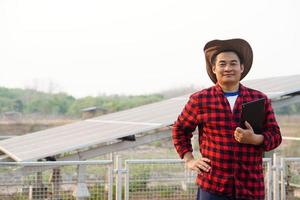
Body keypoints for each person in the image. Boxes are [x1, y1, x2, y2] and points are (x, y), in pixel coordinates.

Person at [172, 38, 282, 200]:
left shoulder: (259, 99)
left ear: (242, 68)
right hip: (213, 185)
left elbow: (275, 135)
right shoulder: (200, 100)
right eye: (222, 64)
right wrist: (189, 159)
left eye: (233, 63)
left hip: (250, 186)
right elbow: (180, 129)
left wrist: (255, 139)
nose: (228, 68)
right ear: (214, 68)